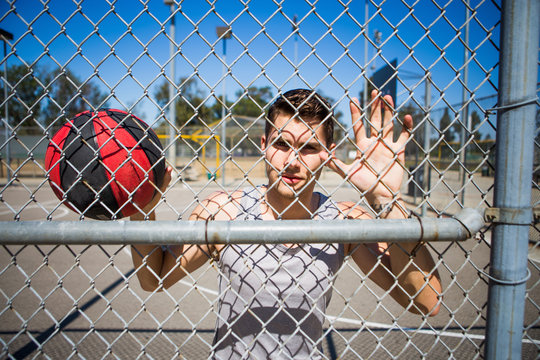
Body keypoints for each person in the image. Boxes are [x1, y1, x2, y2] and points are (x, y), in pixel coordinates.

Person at [131, 89, 442, 359]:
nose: (292, 160)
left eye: (308, 147)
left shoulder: (344, 221)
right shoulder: (224, 211)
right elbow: (153, 278)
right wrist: (141, 208)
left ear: (328, 155)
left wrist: (385, 198)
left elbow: (426, 300)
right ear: (264, 144)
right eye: (281, 144)